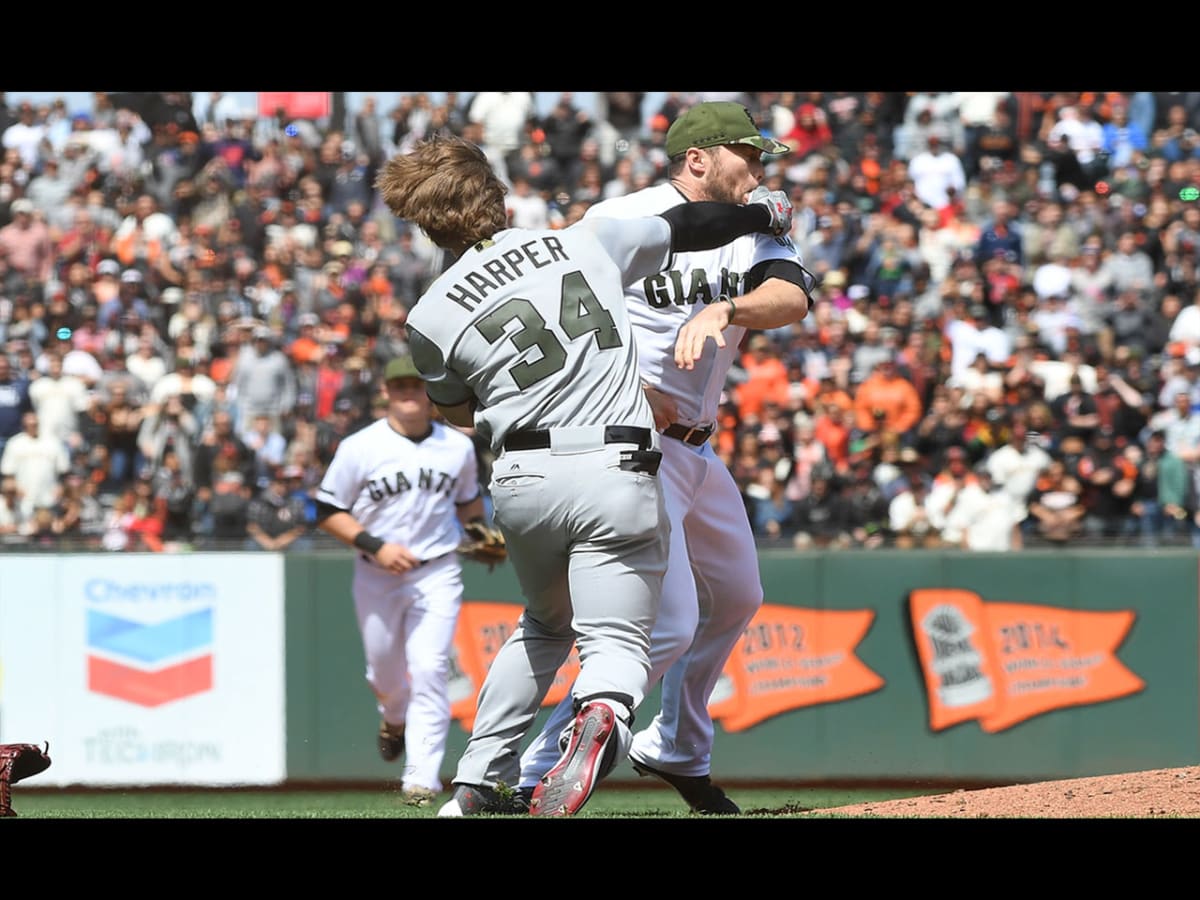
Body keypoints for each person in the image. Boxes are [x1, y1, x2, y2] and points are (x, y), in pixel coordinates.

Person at [372, 132, 792, 818]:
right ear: (497, 197)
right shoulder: (577, 242)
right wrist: (759, 216)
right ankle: (601, 717)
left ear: (424, 222)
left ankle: (478, 780)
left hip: (521, 478)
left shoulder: (429, 316)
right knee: (625, 644)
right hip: (615, 464)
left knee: (543, 625)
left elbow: (457, 414)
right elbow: (687, 225)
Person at [515, 100, 815, 815]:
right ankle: (532, 771)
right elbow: (558, 316)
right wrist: (625, 386)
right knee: (668, 623)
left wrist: (727, 310)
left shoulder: (752, 224)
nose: (761, 170)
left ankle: (676, 744)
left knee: (738, 596)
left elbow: (791, 297)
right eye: (749, 155)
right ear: (699, 158)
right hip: (632, 441)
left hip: (698, 449)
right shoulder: (620, 219)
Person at [314, 355, 486, 809]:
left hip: (437, 569)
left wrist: (482, 535)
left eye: (416, 385)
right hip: (376, 573)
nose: (408, 392)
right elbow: (327, 511)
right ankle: (392, 718)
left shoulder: (457, 447)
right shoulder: (360, 447)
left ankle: (421, 777)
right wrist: (376, 545)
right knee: (385, 673)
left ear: (430, 394)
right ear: (387, 393)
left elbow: (468, 504)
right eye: (400, 385)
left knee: (430, 666)